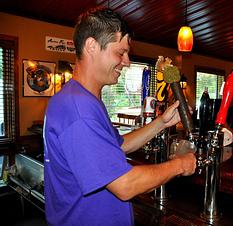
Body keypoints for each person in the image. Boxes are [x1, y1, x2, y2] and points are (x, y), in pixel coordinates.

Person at [43, 7, 196, 226]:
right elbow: (124, 185)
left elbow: (120, 144)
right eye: (120, 52)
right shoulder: (79, 109)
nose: (127, 61)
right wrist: (180, 164)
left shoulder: (79, 99)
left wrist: (161, 122)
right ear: (91, 46)